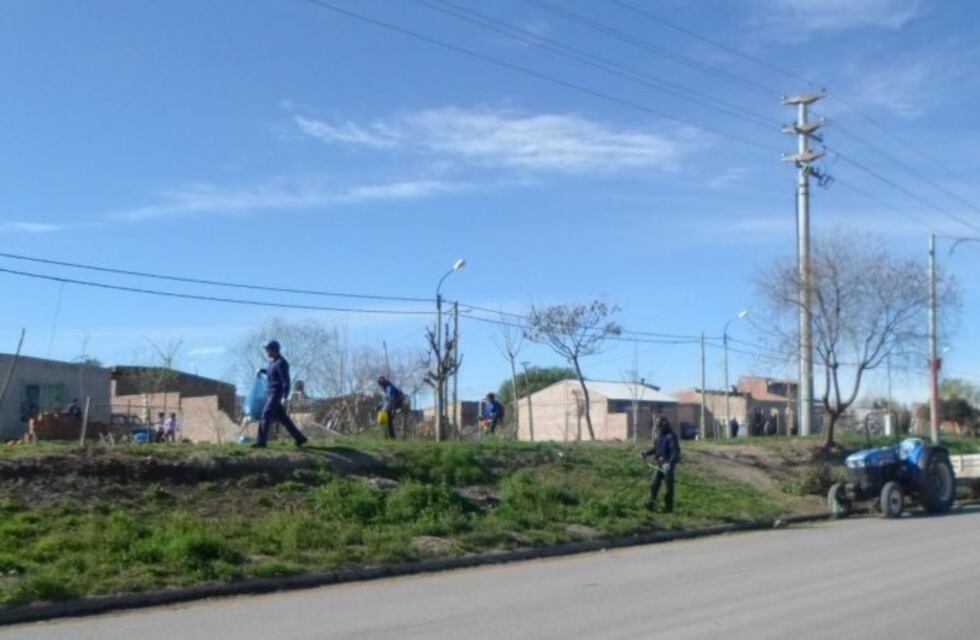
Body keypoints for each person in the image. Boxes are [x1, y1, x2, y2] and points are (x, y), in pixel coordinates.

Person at [254, 340, 308, 448]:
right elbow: (271, 372)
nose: (266, 352)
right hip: (270, 393)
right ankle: (300, 438)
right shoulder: (273, 363)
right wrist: (262, 370)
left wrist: (285, 397)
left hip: (275, 394)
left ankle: (261, 442)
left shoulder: (282, 363)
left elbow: (286, 381)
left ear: (274, 349)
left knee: (265, 415)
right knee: (283, 418)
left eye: (267, 349)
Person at [641, 416, 680, 513]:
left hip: (667, 466)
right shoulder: (659, 436)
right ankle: (651, 503)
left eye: (659, 426)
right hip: (659, 465)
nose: (658, 428)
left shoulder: (671, 436)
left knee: (668, 488)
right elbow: (656, 448)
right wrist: (646, 453)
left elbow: (675, 452)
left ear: (664, 425)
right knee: (654, 485)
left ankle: (668, 507)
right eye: (657, 426)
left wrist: (669, 463)